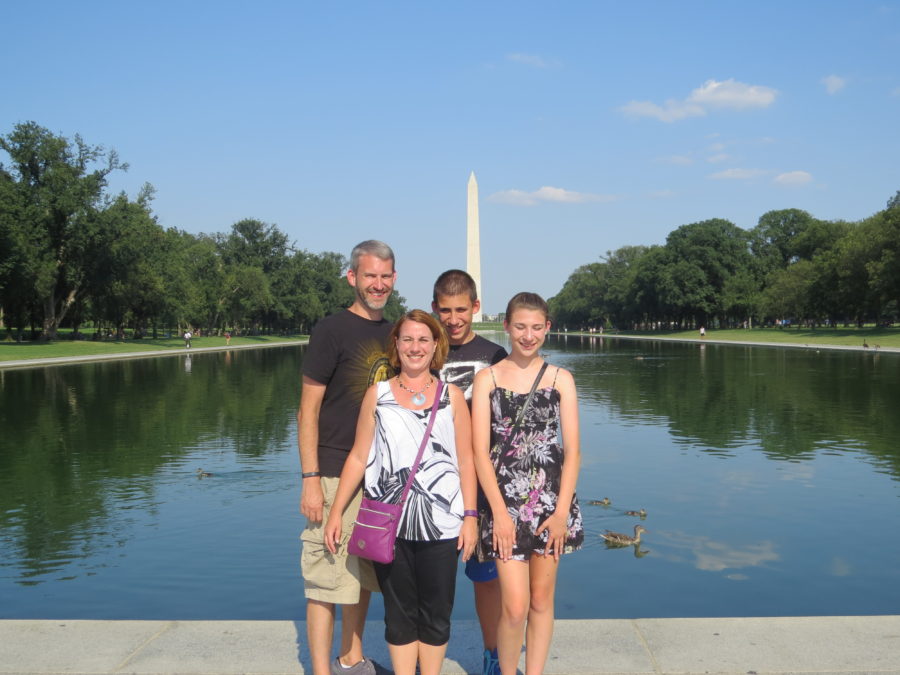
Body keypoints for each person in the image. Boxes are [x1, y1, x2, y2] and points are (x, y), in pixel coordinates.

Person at [323, 310, 478, 675]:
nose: (415, 347)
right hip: (388, 523)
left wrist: (470, 517)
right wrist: (335, 512)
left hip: (442, 523)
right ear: (396, 344)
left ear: (436, 345)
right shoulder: (377, 395)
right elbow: (359, 456)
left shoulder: (452, 396)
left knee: (437, 613)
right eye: (407, 339)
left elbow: (466, 461)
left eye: (424, 339)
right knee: (399, 614)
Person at [470, 292, 584, 675]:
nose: (528, 335)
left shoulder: (560, 379)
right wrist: (499, 515)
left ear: (547, 328)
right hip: (504, 506)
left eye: (536, 327)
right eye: (520, 326)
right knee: (514, 606)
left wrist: (562, 512)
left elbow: (573, 452)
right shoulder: (486, 379)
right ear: (506, 326)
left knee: (540, 601)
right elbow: (480, 454)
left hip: (551, 505)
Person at [297, 240, 397, 675]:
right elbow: (308, 409)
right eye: (370, 275)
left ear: (394, 279)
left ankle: (351, 659)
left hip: (379, 477)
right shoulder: (331, 330)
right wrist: (310, 477)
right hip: (336, 471)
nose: (378, 284)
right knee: (325, 577)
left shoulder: (393, 334)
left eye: (385, 276)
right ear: (352, 277)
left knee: (362, 576)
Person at [431, 269, 507, 675]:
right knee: (431, 582)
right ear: (434, 309)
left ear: (475, 307)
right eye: (446, 310)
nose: (454, 319)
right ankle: (427, 658)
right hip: (431, 487)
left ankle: (492, 653)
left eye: (462, 309)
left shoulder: (496, 357)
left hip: (482, 486)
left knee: (486, 579)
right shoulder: (422, 351)